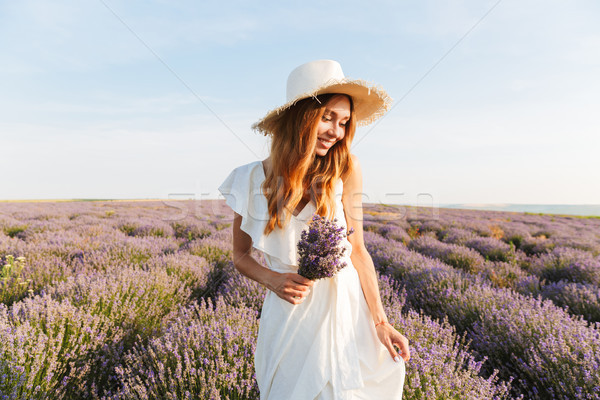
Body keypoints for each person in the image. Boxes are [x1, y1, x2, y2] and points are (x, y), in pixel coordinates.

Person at [218, 59, 410, 400]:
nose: (336, 132)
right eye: (328, 117)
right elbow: (240, 256)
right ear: (302, 116)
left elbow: (359, 252)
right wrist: (272, 279)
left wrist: (380, 321)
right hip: (292, 314)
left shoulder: (346, 169)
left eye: (344, 122)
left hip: (347, 311)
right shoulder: (249, 179)